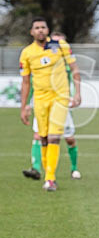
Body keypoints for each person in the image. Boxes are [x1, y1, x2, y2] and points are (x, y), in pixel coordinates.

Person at [19, 17, 82, 191]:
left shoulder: (60, 46)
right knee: (44, 138)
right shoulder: (27, 53)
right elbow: (25, 82)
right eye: (36, 28)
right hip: (40, 99)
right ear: (31, 32)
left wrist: (77, 93)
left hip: (60, 97)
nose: (40, 30)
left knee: (55, 136)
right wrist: (24, 106)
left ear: (48, 30)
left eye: (43, 27)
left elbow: (75, 69)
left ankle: (50, 179)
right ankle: (48, 174)